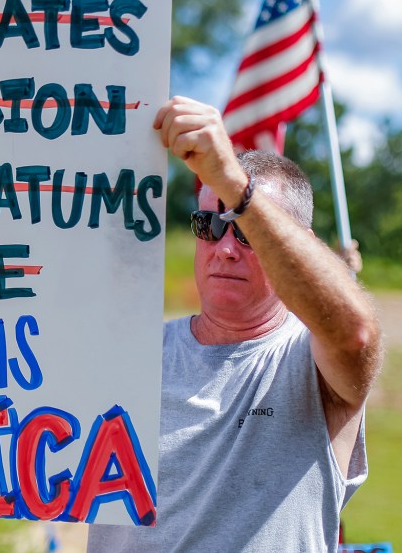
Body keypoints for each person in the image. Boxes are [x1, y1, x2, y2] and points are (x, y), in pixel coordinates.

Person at [87, 96, 382, 551]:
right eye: (209, 224)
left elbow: (356, 334)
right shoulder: (131, 351)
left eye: (245, 230)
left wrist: (233, 184)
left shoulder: (309, 361)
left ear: (295, 245)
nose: (225, 248)